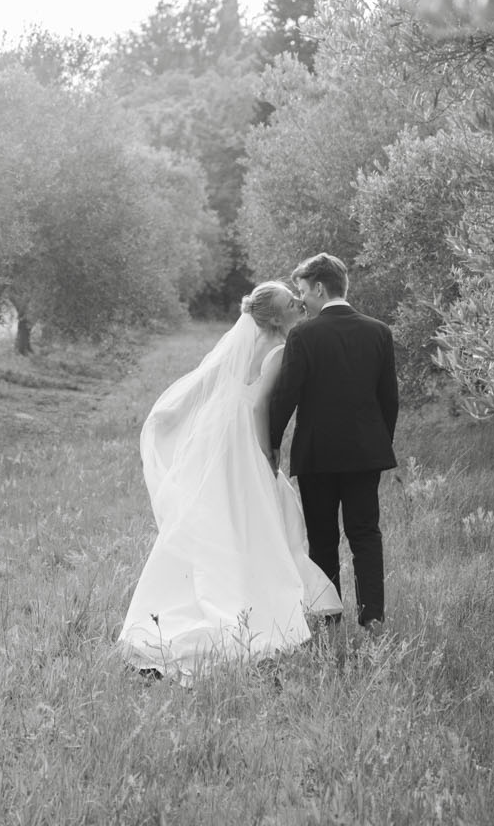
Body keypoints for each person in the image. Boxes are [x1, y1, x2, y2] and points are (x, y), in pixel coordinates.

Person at [118, 282, 341, 675]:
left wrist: (169, 415)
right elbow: (258, 405)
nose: (298, 304)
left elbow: (207, 383)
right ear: (275, 317)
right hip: (243, 439)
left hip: (218, 435)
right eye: (291, 302)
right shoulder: (278, 348)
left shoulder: (244, 346)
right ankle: (255, 600)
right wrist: (267, 452)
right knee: (256, 513)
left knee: (218, 514)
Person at [266, 252, 399, 634]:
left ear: (320, 288)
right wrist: (377, 446)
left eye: (304, 291)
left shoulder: (304, 336)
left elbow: (285, 398)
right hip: (364, 455)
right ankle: (372, 617)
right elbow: (388, 400)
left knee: (322, 539)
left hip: (317, 456)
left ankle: (329, 621)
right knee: (365, 534)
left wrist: (272, 445)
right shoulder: (378, 332)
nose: (301, 300)